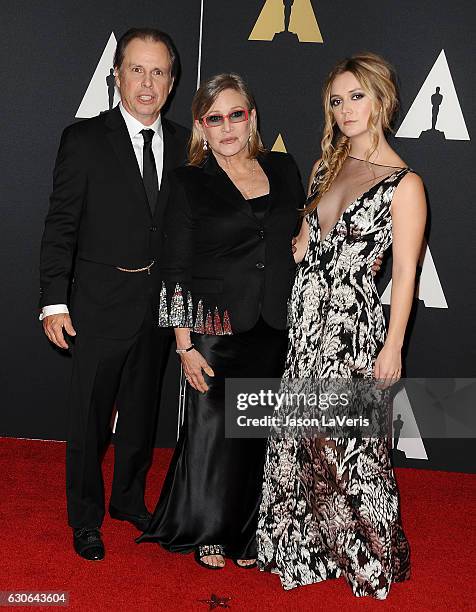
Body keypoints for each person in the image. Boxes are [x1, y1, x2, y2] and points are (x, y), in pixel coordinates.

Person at [257, 52, 427, 599]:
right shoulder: (328, 165)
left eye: (357, 96)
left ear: (383, 100)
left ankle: (369, 556)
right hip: (306, 324)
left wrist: (393, 346)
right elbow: (314, 237)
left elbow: (405, 277)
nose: (346, 108)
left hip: (351, 329)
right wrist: (305, 240)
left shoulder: (405, 185)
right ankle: (305, 548)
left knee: (351, 448)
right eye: (337, 99)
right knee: (301, 439)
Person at [136, 73, 305, 569]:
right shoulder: (189, 180)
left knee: (257, 434)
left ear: (251, 117)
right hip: (213, 329)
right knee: (212, 435)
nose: (227, 126)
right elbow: (176, 266)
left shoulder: (283, 167)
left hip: (275, 323)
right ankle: (207, 530)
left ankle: (246, 534)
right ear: (201, 126)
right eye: (215, 118)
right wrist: (184, 345)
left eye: (237, 114)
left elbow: (299, 233)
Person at [39, 28, 189, 561]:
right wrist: (54, 300)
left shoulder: (186, 143)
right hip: (97, 306)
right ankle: (85, 518)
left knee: (142, 414)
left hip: (156, 307)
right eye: (137, 70)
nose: (147, 83)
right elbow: (61, 224)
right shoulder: (83, 139)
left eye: (158, 72)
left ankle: (128, 499)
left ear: (171, 83)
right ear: (117, 76)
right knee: (89, 419)